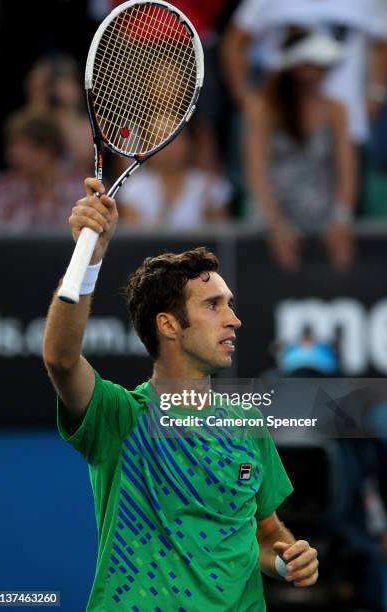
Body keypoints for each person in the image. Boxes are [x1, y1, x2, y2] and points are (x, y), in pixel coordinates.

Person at [42, 177, 319, 610]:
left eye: (230, 303)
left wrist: (288, 560)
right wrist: (89, 259)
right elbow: (60, 358)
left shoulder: (247, 422)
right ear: (169, 325)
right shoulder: (120, 417)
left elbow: (265, 534)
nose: (234, 320)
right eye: (213, 305)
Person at [243, 29, 357, 272]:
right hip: (272, 216)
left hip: (323, 217)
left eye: (325, 65)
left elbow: (347, 169)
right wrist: (274, 223)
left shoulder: (336, 110)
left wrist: (341, 218)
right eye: (316, 65)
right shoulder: (263, 109)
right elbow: (256, 170)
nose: (322, 72)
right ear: (296, 67)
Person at [222, 0, 387, 146]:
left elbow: (383, 44)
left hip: (347, 123)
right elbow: (233, 44)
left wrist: (375, 98)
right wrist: (246, 99)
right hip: (279, 122)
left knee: (348, 183)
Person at [117, 128, 232, 228]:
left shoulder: (212, 185)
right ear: (148, 145)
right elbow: (134, 242)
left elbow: (222, 242)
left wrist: (210, 211)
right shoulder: (132, 188)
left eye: (175, 138)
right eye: (160, 138)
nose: (168, 146)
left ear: (189, 143)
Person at [0, 113, 84, 229]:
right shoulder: (4, 190)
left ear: (48, 150)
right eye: (12, 145)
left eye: (23, 145)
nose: (13, 154)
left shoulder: (82, 190)